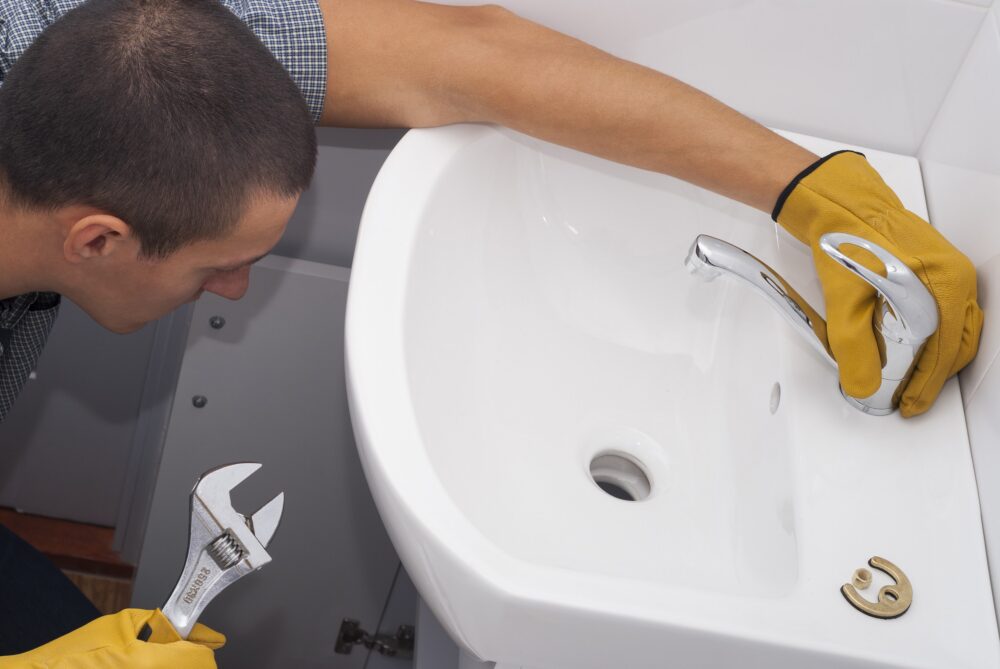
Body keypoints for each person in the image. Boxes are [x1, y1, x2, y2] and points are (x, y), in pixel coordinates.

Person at [0, 0, 981, 665]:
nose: (238, 286)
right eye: (215, 265)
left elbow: (469, 54)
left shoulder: (98, 51)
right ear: (98, 239)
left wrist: (810, 193)